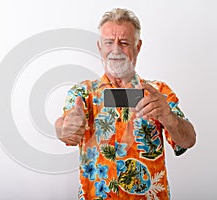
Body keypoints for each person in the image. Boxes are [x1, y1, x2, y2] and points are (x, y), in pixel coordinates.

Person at [55, 8, 196, 200]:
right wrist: (64, 128)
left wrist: (170, 119)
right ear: (99, 47)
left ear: (137, 47)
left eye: (123, 43)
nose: (115, 50)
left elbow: (188, 141)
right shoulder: (83, 93)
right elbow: (64, 130)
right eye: (109, 43)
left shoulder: (158, 92)